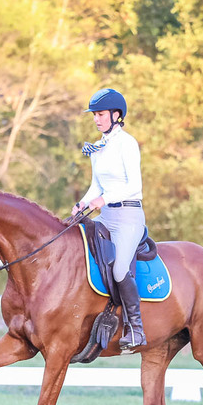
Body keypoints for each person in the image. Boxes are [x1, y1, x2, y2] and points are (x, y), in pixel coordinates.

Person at [71, 88, 147, 350]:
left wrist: (104, 198)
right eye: (94, 115)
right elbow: (96, 186)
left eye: (100, 114)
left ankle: (136, 329)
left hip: (128, 216)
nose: (96, 119)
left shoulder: (127, 143)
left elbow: (135, 186)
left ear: (116, 115)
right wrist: (83, 202)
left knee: (118, 270)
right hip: (106, 216)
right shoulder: (98, 147)